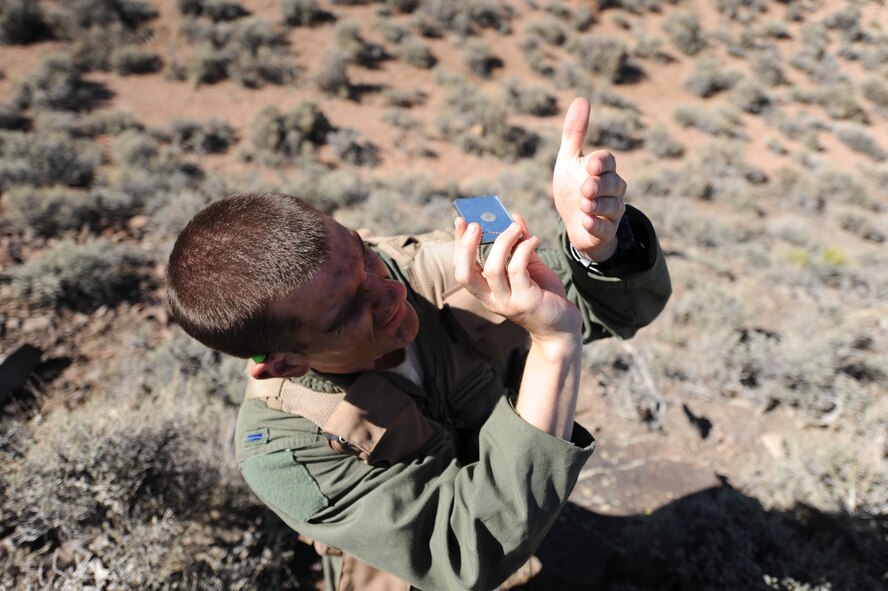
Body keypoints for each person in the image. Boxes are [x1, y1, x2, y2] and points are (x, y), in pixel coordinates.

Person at [166, 98, 671, 591]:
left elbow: (608, 307)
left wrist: (597, 249)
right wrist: (554, 347)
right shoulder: (284, 451)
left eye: (365, 254)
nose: (392, 292)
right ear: (285, 364)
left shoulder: (436, 268)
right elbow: (465, 551)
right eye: (350, 309)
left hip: (524, 506)